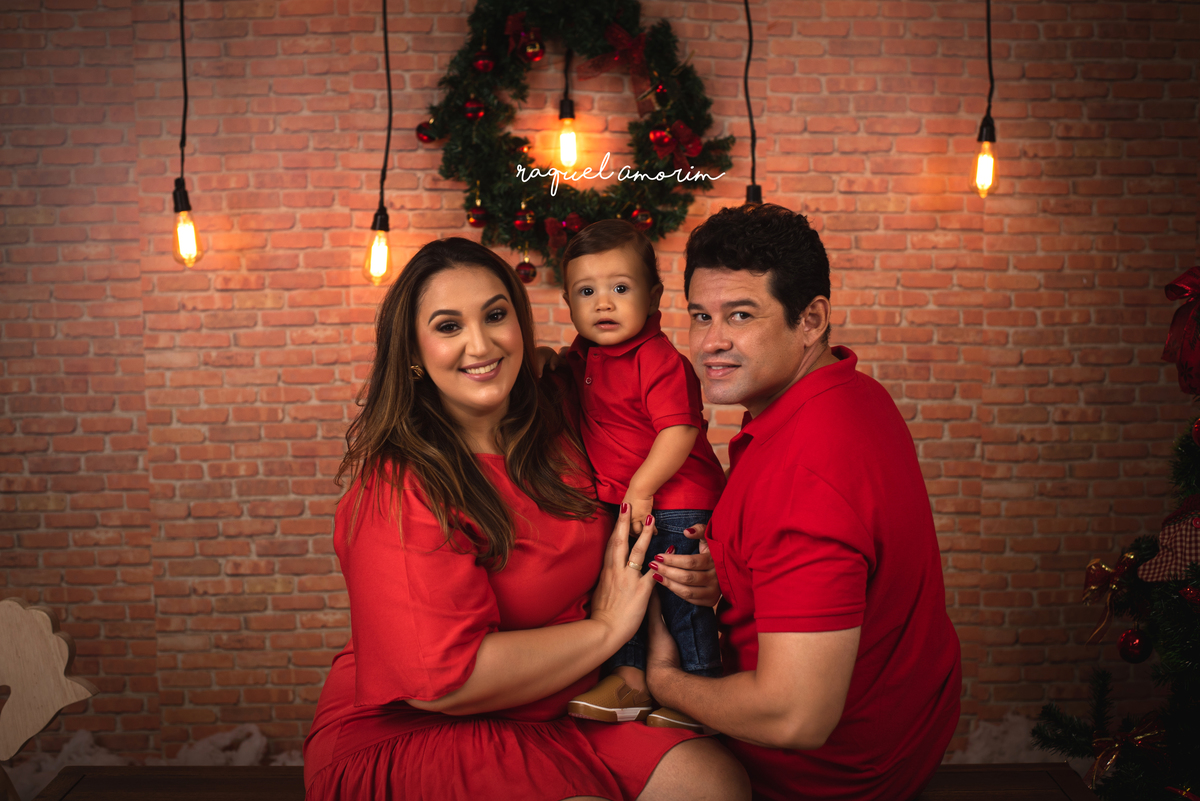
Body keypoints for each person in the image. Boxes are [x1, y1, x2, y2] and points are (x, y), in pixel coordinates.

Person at [302, 237, 749, 801]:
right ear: (412, 351)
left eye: (495, 316)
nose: (481, 344)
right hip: (421, 725)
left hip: (563, 704)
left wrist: (695, 566)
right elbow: (445, 682)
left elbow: (671, 471)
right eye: (448, 326)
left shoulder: (561, 415)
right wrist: (607, 630)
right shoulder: (399, 488)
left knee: (716, 782)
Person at [644, 204, 962, 800]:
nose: (711, 342)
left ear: (811, 319)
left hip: (822, 778)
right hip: (906, 737)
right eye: (701, 316)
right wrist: (733, 574)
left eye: (741, 315)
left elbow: (795, 717)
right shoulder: (850, 392)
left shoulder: (804, 472)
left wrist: (663, 681)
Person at [556, 221, 726, 731]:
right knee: (621, 586)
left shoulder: (656, 358)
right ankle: (628, 679)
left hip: (676, 500)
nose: (603, 303)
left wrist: (642, 487)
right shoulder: (584, 355)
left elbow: (679, 430)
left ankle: (700, 683)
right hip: (629, 502)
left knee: (677, 594)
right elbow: (564, 381)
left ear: (652, 297)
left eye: (620, 288)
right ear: (567, 302)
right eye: (586, 292)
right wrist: (545, 359)